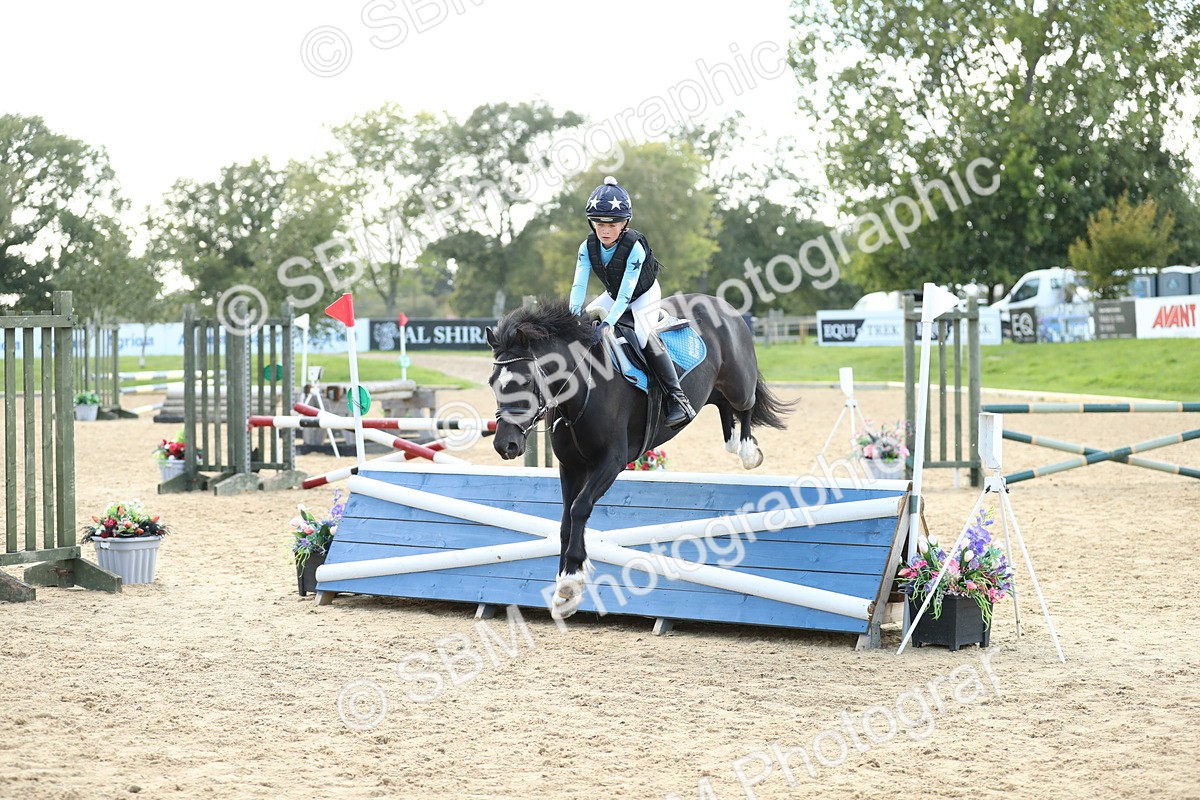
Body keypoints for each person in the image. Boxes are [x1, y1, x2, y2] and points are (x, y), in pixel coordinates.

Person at [568, 176, 696, 428]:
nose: (605, 230)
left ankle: (678, 398)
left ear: (625, 222)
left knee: (641, 332)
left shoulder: (634, 247)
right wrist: (573, 317)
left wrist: (608, 324)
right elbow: (579, 286)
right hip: (615, 293)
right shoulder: (586, 247)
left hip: (643, 294)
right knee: (582, 322)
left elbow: (627, 296)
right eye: (598, 223)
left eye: (612, 224)